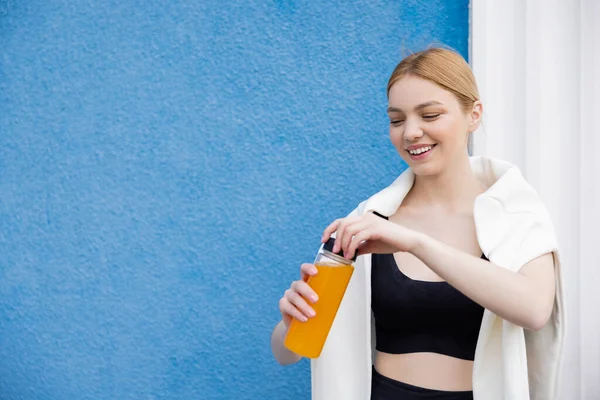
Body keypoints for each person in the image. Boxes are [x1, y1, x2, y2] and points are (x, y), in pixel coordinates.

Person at [270, 47, 564, 400]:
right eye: (397, 120)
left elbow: (534, 309)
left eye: (430, 114)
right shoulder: (367, 221)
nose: (411, 132)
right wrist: (291, 322)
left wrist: (416, 243)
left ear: (474, 115)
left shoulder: (516, 213)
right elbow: (287, 353)